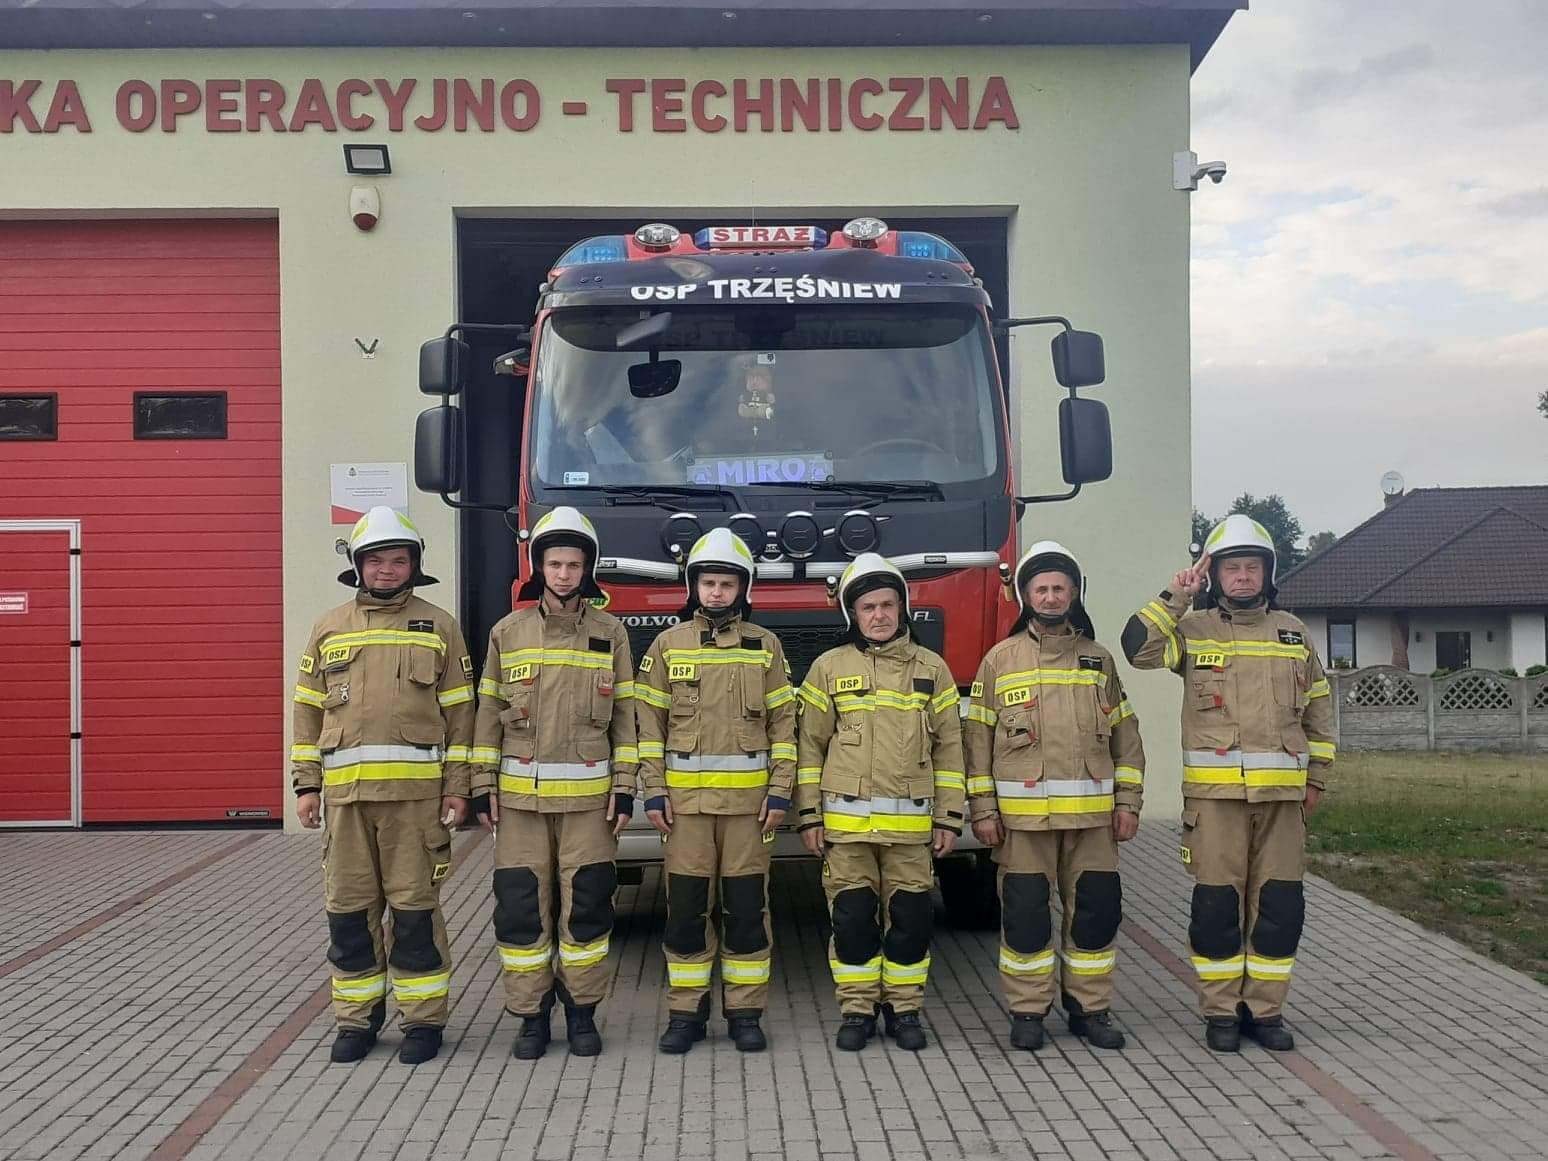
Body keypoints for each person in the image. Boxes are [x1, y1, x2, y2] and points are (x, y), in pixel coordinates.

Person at [1121, 514, 1336, 1052]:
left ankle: (1266, 1012)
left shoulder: (1293, 632)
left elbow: (1319, 709)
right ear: (1214, 574)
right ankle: (1220, 1012)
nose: (1242, 577)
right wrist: (1178, 594)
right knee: (1217, 909)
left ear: (1268, 573)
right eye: (1232, 568)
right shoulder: (1194, 631)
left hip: (1283, 803)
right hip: (1215, 804)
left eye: (1252, 567)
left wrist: (1317, 780)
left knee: (1279, 909)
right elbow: (1137, 648)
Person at [292, 506, 474, 1066]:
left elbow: (461, 715)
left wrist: (458, 786)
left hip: (416, 805)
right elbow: (307, 711)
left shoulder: (439, 626)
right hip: (346, 803)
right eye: (376, 560)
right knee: (348, 913)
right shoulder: (329, 627)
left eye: (398, 560)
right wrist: (306, 785)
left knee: (415, 913)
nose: (387, 569)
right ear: (358, 566)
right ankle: (356, 1020)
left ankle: (422, 1021)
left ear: (414, 565)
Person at [469, 507, 638, 1059]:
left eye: (573, 565)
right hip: (520, 805)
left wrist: (626, 786)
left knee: (587, 908)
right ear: (538, 567)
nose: (564, 574)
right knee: (521, 910)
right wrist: (481, 783)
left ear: (587, 569)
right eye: (554, 564)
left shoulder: (610, 633)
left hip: (590, 803)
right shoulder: (507, 633)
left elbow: (626, 717)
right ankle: (531, 1017)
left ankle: (582, 1013)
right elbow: (487, 713)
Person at [964, 541, 1145, 1052]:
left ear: (1074, 594)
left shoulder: (1099, 660)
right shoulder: (999, 661)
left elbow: (1126, 738)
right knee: (1025, 918)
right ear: (1026, 597)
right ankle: (1028, 1010)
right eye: (1040, 589)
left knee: (1095, 915)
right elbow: (976, 743)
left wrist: (1128, 803)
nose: (1049, 597)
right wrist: (983, 811)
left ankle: (1090, 1009)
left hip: (1093, 824)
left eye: (1059, 588)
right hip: (1023, 826)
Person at [634, 528, 797, 1053]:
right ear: (694, 586)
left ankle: (746, 1014)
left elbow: (784, 727)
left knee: (747, 912)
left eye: (727, 583)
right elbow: (648, 728)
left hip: (750, 811)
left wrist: (780, 792)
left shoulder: (765, 647)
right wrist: (654, 792)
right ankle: (686, 1014)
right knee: (685, 912)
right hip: (685, 811)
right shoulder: (667, 646)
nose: (718, 592)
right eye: (709, 583)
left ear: (743, 588)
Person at [795, 553, 964, 1051]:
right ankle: (857, 1011)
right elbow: (809, 748)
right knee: (851, 920)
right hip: (846, 830)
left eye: (887, 605)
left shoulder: (932, 669)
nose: (879, 615)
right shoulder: (828, 668)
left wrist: (949, 818)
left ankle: (904, 1010)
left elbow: (950, 749)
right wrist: (809, 815)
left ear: (902, 608)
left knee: (911, 921)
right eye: (868, 607)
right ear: (853, 613)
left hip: (910, 832)